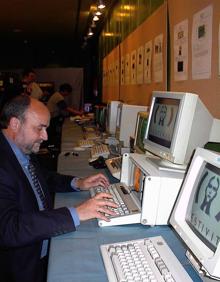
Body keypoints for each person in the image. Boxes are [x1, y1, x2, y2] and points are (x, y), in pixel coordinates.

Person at [0, 95, 117, 282]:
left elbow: (41, 177)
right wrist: (76, 213)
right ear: (15, 124)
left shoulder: (18, 148)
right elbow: (8, 229)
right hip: (21, 266)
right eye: (40, 128)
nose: (45, 137)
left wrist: (78, 183)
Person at [46, 83, 83, 147]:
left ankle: (52, 144)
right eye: (68, 92)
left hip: (52, 116)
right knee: (51, 133)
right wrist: (78, 113)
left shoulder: (57, 95)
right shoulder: (58, 96)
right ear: (65, 91)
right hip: (51, 117)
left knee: (53, 132)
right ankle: (51, 145)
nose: (68, 94)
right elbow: (65, 108)